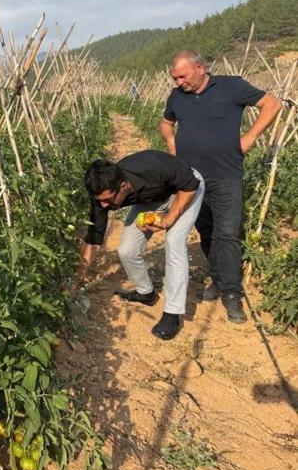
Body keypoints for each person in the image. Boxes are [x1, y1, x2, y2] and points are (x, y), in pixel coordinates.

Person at [160, 50, 281, 324]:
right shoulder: (177, 96)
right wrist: (171, 145)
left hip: (226, 175)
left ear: (200, 67)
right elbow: (166, 123)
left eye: (183, 76)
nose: (179, 82)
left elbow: (272, 104)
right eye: (175, 78)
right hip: (192, 180)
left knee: (226, 234)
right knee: (206, 231)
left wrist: (248, 138)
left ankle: (231, 294)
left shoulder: (232, 86)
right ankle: (217, 278)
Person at [74, 151, 205, 340]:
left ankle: (173, 314)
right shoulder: (101, 196)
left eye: (109, 200)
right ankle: (146, 293)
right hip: (153, 198)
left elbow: (190, 184)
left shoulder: (152, 168)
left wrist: (168, 220)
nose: (104, 206)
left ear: (123, 185)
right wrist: (75, 282)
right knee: (127, 250)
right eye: (100, 201)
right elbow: (93, 239)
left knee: (174, 241)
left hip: (185, 189)